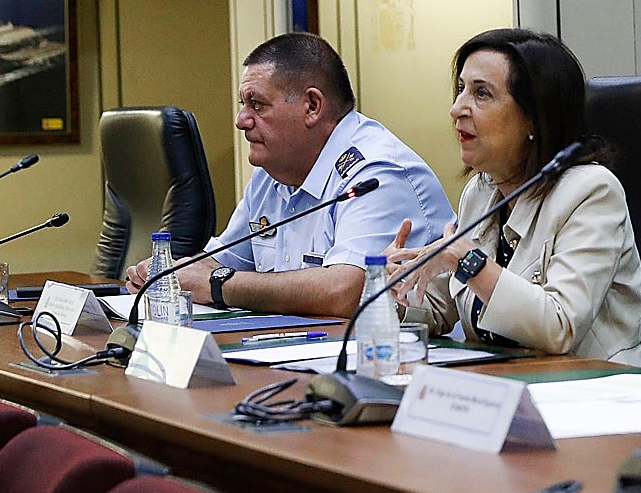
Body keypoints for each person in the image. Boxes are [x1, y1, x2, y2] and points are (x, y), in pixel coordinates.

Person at [125, 32, 453, 316]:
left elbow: (343, 291)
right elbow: (219, 262)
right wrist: (170, 275)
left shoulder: (376, 173)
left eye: (257, 104)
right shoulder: (272, 174)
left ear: (312, 106)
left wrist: (218, 284)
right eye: (243, 104)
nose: (241, 120)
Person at [387, 28, 641, 366]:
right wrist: (395, 290)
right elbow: (438, 310)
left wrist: (469, 262)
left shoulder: (592, 192)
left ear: (534, 118)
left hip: (596, 386)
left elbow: (560, 327)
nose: (457, 108)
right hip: (504, 385)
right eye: (461, 89)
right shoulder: (480, 192)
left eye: (481, 93)